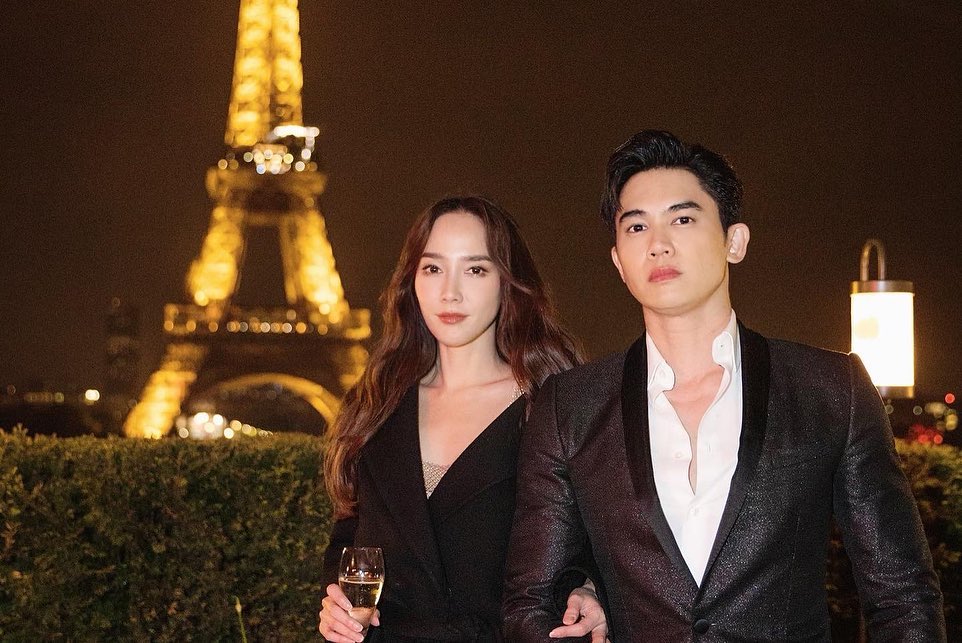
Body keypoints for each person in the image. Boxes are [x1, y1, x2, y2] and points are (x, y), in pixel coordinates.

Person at [502, 131, 945, 640]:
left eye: (683, 219)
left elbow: (902, 597)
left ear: (734, 242)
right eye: (637, 226)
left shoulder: (829, 389)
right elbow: (531, 599)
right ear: (619, 261)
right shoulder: (570, 406)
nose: (658, 243)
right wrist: (583, 593)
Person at [319, 196, 607, 642]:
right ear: (411, 280)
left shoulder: (551, 407)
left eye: (475, 269)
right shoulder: (377, 404)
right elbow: (351, 532)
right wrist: (337, 605)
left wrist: (590, 589)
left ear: (508, 283)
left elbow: (599, 537)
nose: (449, 292)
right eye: (433, 268)